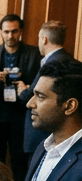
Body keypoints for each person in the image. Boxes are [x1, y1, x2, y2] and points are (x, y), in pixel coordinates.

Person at [0, 14, 41, 181]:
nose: (10, 36)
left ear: (20, 32)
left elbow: (40, 84)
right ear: (1, 32)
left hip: (20, 116)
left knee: (19, 163)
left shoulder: (33, 54)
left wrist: (27, 87)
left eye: (14, 31)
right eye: (6, 32)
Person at [22, 20, 76, 152]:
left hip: (44, 135)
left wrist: (23, 91)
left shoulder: (54, 64)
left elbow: (30, 95)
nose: (30, 103)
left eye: (39, 96)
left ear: (44, 39)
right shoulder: (69, 60)